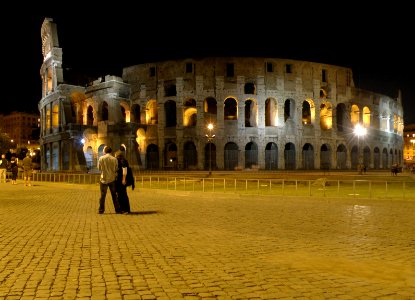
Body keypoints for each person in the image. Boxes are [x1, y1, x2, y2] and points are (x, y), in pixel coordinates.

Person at [98, 146, 122, 214]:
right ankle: (117, 209)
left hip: (103, 179)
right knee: (114, 195)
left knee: (102, 196)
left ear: (105, 151)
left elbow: (99, 169)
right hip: (112, 179)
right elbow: (116, 169)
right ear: (111, 151)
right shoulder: (114, 159)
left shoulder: (101, 158)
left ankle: (101, 210)